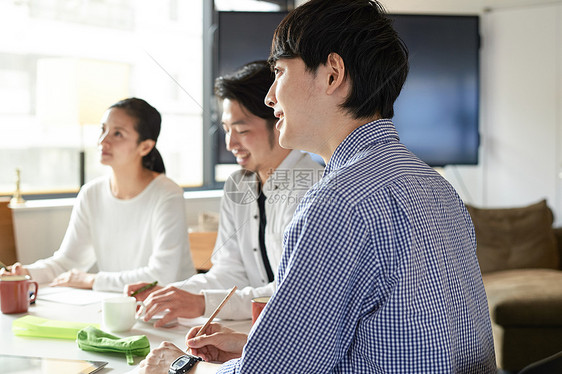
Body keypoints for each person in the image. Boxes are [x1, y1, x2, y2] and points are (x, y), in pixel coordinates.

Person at [138, 0, 497, 372]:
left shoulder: (338, 203)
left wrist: (183, 367)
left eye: (279, 72)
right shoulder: (434, 185)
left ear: (332, 74)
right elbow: (385, 339)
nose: (270, 96)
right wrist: (254, 346)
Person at [126, 61, 323, 326]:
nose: (230, 144)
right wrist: (173, 293)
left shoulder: (314, 187)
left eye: (241, 130)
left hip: (299, 330)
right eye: (227, 130)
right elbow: (230, 272)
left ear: (279, 121)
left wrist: (201, 302)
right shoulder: (237, 185)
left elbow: (294, 291)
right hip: (248, 326)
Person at [1, 98, 195, 292]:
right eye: (103, 130)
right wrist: (25, 272)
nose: (103, 141)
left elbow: (161, 276)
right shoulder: (91, 193)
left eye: (118, 134)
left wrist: (92, 281)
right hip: (120, 307)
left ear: (145, 147)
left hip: (173, 312)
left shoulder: (167, 194)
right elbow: (67, 263)